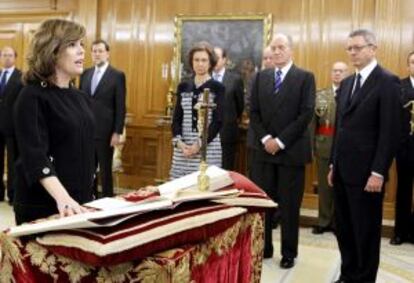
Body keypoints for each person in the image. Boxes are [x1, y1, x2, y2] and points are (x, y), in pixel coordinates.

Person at [328, 29, 401, 283]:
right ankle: (348, 274)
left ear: (373, 48)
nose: (352, 53)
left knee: (366, 232)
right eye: (349, 48)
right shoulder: (347, 82)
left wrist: (378, 171)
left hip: (368, 174)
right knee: (344, 228)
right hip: (342, 170)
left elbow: (390, 132)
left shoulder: (388, 81)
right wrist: (332, 164)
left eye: (357, 47)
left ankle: (364, 279)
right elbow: (340, 127)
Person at [13, 19, 95, 225]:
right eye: (72, 45)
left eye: (81, 45)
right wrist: (63, 198)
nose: (81, 51)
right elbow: (35, 156)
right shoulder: (31, 96)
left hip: (79, 202)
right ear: (52, 50)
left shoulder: (80, 97)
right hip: (45, 205)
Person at [250, 33, 315, 268]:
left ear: (291, 50)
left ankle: (289, 253)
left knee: (289, 207)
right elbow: (253, 112)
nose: (277, 52)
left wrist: (280, 141)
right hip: (263, 152)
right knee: (263, 204)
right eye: (273, 48)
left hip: (291, 152)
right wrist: (267, 138)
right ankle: (264, 248)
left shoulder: (305, 77)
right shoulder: (260, 77)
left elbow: (306, 113)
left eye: (281, 47)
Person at [170, 42, 224, 179]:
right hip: (183, 149)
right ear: (191, 62)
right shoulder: (183, 86)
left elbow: (218, 122)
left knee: (204, 189)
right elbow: (176, 119)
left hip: (208, 148)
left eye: (204, 60)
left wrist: (199, 144)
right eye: (196, 60)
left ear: (210, 63)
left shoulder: (218, 87)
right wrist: (179, 143)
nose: (200, 64)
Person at [80, 39, 126, 198]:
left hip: (106, 133)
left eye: (100, 51)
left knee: (105, 172)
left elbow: (120, 106)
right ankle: (88, 200)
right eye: (94, 51)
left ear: (107, 54)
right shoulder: (85, 74)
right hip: (86, 131)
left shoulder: (117, 75)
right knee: (86, 170)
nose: (97, 54)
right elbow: (81, 103)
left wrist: (117, 132)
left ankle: (107, 203)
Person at [312, 61, 348, 234]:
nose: (337, 74)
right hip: (324, 147)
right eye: (335, 70)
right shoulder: (320, 96)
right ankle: (324, 221)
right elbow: (312, 125)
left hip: (345, 149)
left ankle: (339, 222)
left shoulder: (352, 94)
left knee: (342, 188)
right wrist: (312, 148)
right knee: (325, 188)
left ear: (347, 74)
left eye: (341, 71)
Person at [390, 51, 414, 246]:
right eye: (413, 62)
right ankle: (400, 232)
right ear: (408, 65)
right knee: (403, 190)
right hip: (405, 148)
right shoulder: (400, 86)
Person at [212, 46, 244, 170]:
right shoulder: (205, 77)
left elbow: (239, 106)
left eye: (217, 58)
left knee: (225, 170)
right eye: (212, 58)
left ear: (225, 59)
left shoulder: (235, 79)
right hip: (206, 135)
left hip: (226, 133)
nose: (214, 61)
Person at [0, 46, 23, 204]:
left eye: (10, 55)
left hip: (14, 128)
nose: (7, 58)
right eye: (4, 55)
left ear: (15, 57)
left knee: (13, 163)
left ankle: (13, 195)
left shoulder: (22, 77)